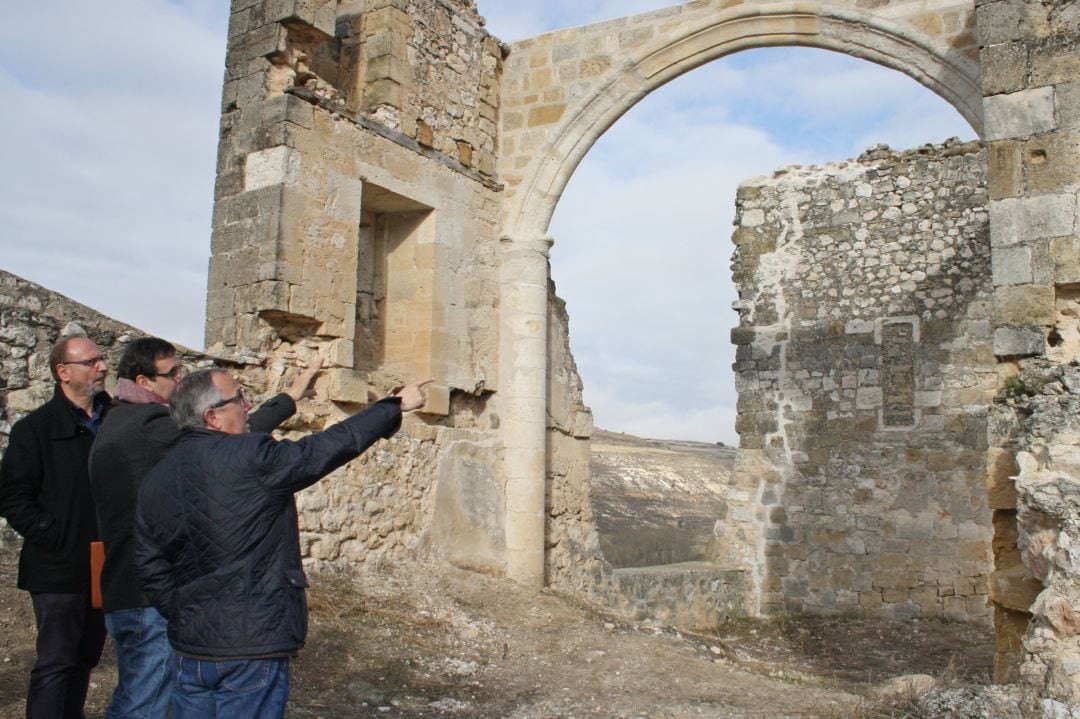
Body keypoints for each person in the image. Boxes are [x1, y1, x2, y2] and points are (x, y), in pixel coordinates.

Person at [134, 368, 429, 718]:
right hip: (251, 646)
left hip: (191, 647)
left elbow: (149, 564)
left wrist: (183, 611)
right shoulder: (252, 456)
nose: (248, 404)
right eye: (239, 398)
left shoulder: (156, 477)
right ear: (212, 416)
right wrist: (394, 406)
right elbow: (326, 447)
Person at [88, 338, 321, 719]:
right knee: (142, 705)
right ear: (145, 382)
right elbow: (220, 442)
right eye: (174, 373)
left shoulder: (116, 421)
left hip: (125, 587)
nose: (182, 379)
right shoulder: (149, 426)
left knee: (140, 696)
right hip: (145, 596)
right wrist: (287, 400)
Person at [0, 335, 111, 719]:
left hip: (103, 563)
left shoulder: (114, 421)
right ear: (63, 373)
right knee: (55, 662)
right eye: (92, 361)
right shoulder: (35, 429)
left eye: (102, 359)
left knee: (85, 658)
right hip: (57, 567)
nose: (103, 367)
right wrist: (55, 536)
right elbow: (13, 496)